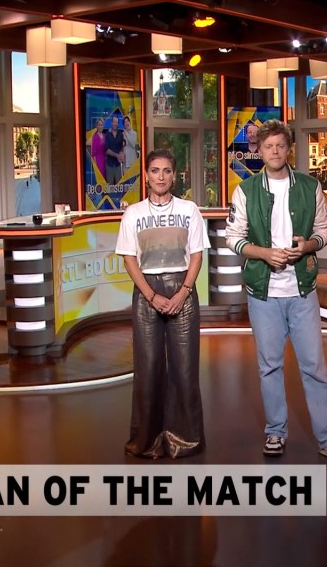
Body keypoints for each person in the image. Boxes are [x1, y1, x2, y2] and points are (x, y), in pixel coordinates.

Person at [225, 119, 327, 465]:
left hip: (302, 291)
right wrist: (264, 253)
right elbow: (234, 238)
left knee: (314, 366)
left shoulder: (310, 187)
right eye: (269, 146)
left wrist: (308, 245)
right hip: (263, 293)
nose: (275, 151)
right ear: (260, 150)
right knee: (270, 366)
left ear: (288, 149)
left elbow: (324, 231)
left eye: (280, 146)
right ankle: (275, 432)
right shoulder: (245, 191)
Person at [115, 149, 206, 459]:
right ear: (146, 176)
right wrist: (152, 296)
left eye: (167, 171)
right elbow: (130, 260)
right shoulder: (133, 213)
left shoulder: (189, 210)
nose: (161, 176)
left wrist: (183, 292)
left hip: (183, 289)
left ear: (174, 175)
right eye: (155, 170)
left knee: (185, 369)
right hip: (147, 291)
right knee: (148, 369)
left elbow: (196, 256)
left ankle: (185, 439)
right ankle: (148, 441)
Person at [104, 115, 126, 186]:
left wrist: (122, 154)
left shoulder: (120, 134)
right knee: (109, 187)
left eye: (116, 122)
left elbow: (122, 147)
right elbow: (107, 150)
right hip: (109, 165)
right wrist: (117, 155)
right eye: (114, 122)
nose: (115, 123)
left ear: (118, 123)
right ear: (111, 123)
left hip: (118, 166)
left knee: (118, 187)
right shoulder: (107, 134)